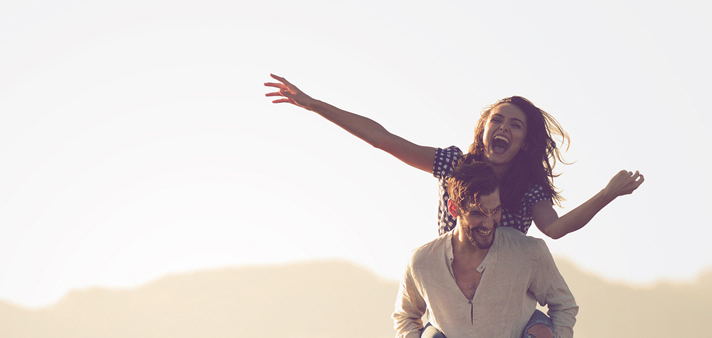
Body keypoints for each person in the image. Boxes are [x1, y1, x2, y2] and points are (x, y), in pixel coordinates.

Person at [263, 74, 644, 238]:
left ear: (525, 142)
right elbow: (382, 138)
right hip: (451, 285)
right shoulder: (453, 165)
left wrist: (608, 193)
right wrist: (313, 105)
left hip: (503, 293)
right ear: (484, 129)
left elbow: (555, 228)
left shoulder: (527, 189)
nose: (504, 129)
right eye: (497, 120)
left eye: (515, 125)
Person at [393, 155, 577, 338]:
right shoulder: (422, 261)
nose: (489, 223)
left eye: (496, 211)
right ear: (453, 209)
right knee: (430, 337)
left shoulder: (528, 252)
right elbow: (405, 317)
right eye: (479, 213)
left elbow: (564, 306)